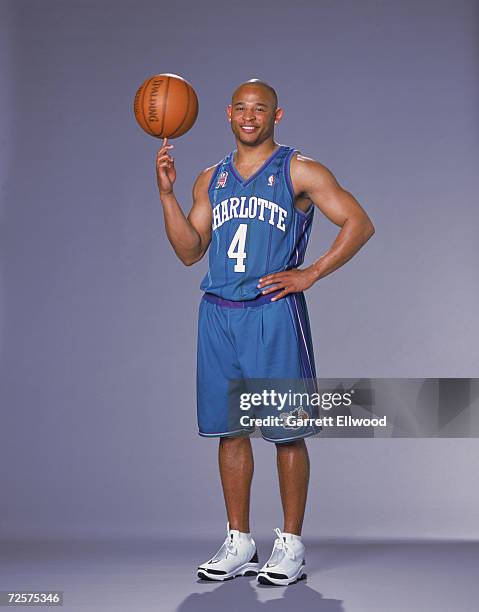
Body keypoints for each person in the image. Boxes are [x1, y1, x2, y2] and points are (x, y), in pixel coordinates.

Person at [156, 79, 375, 586]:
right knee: (230, 430)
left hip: (273, 313)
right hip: (218, 313)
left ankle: (292, 547)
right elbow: (189, 250)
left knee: (286, 430)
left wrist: (311, 271)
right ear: (228, 115)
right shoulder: (210, 178)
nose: (250, 116)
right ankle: (239, 541)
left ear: (277, 117)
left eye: (261, 109)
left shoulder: (300, 169)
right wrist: (166, 192)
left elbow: (358, 223)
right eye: (242, 109)